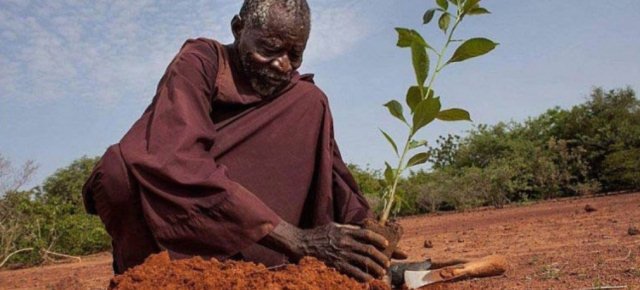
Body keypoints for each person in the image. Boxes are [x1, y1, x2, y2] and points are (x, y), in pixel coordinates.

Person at [82, 0, 405, 282]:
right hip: (173, 211)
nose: (282, 65)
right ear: (238, 28)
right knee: (119, 170)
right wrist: (297, 240)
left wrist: (368, 241)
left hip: (244, 226)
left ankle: (271, 268)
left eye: (295, 54)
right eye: (269, 49)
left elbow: (331, 171)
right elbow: (173, 156)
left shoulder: (300, 98)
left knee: (310, 99)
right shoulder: (201, 61)